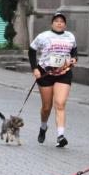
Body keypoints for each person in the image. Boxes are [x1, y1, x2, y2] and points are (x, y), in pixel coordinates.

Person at [29, 11, 77, 147]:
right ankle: (43, 127)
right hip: (45, 73)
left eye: (62, 21)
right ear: (52, 23)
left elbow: (74, 51)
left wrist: (74, 59)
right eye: (56, 21)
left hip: (64, 73)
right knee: (46, 107)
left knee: (60, 104)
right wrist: (35, 69)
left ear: (65, 24)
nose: (59, 23)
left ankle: (60, 136)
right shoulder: (43, 36)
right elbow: (32, 50)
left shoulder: (70, 37)